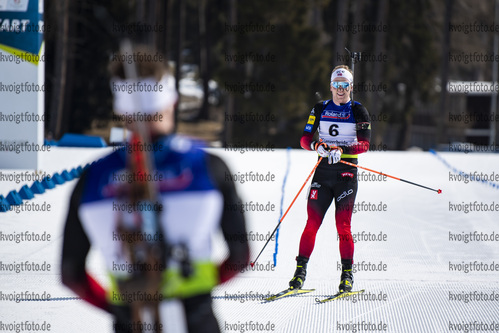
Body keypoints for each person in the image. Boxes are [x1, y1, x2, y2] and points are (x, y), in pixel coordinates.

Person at [61, 47, 249, 333]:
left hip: (130, 321)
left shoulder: (92, 179)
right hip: (196, 319)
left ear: (121, 109)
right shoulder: (208, 167)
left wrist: (118, 308)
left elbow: (71, 274)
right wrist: (196, 293)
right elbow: (240, 257)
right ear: (171, 100)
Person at [288, 65, 371, 293]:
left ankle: (346, 276)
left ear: (351, 87)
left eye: (345, 85)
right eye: (337, 85)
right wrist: (317, 145)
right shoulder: (320, 107)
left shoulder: (358, 110)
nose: (340, 89)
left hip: (346, 174)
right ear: (331, 86)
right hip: (322, 174)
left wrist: (341, 149)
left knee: (343, 227)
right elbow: (304, 139)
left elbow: (365, 144)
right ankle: (299, 273)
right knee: (311, 223)